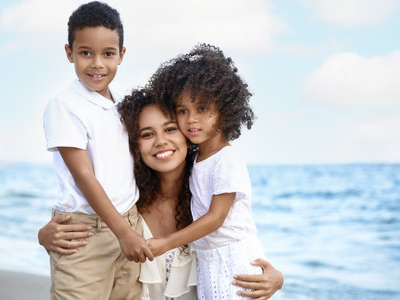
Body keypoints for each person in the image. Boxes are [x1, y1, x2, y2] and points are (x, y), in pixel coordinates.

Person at [39, 87, 284, 299]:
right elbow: (93, 240)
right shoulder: (125, 210)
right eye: (147, 134)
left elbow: (237, 245)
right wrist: (44, 236)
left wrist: (276, 278)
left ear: (188, 134)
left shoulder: (203, 201)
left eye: (170, 129)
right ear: (135, 145)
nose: (160, 141)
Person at [42, 2, 152, 299]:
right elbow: (83, 175)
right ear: (70, 53)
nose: (97, 64)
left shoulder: (123, 104)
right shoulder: (64, 106)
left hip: (129, 224)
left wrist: (130, 230)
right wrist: (123, 233)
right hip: (84, 237)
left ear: (122, 55)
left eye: (108, 54)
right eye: (85, 52)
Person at [145, 44, 272, 299]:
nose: (191, 119)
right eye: (183, 111)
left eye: (202, 109)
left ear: (225, 109)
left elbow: (216, 218)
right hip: (208, 260)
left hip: (234, 260)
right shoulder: (195, 159)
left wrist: (167, 243)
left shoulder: (227, 160)